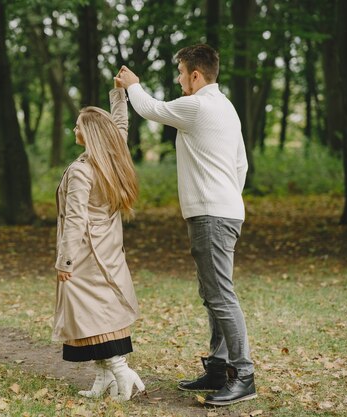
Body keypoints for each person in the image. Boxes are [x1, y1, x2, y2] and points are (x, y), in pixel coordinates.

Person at [114, 44, 256, 406]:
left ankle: (243, 375)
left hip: (212, 214)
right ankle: (218, 368)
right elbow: (241, 166)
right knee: (213, 295)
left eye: (180, 73)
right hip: (223, 210)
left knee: (220, 296)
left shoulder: (198, 105)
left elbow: (150, 109)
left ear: (196, 74)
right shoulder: (227, 109)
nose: (178, 80)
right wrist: (226, 198)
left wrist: (132, 84)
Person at [52, 78, 144, 401]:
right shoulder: (111, 157)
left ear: (88, 134)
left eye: (78, 126)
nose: (74, 129)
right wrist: (119, 94)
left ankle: (120, 370)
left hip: (86, 256)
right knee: (101, 314)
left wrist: (65, 261)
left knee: (89, 317)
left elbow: (75, 220)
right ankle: (104, 376)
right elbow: (119, 125)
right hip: (108, 250)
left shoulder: (82, 171)